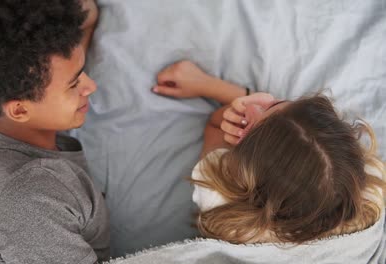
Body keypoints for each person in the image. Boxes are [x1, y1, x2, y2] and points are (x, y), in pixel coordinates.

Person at [0, 0, 108, 263]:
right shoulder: (31, 208)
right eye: (75, 83)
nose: (91, 86)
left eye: (82, 71)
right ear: (19, 111)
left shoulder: (17, 121)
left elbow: (82, 20)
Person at [153, 61, 385, 245]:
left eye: (251, 125)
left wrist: (210, 87)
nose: (253, 106)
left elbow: (215, 126)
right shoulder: (373, 188)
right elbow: (286, 132)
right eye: (275, 104)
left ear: (245, 173)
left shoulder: (221, 204)